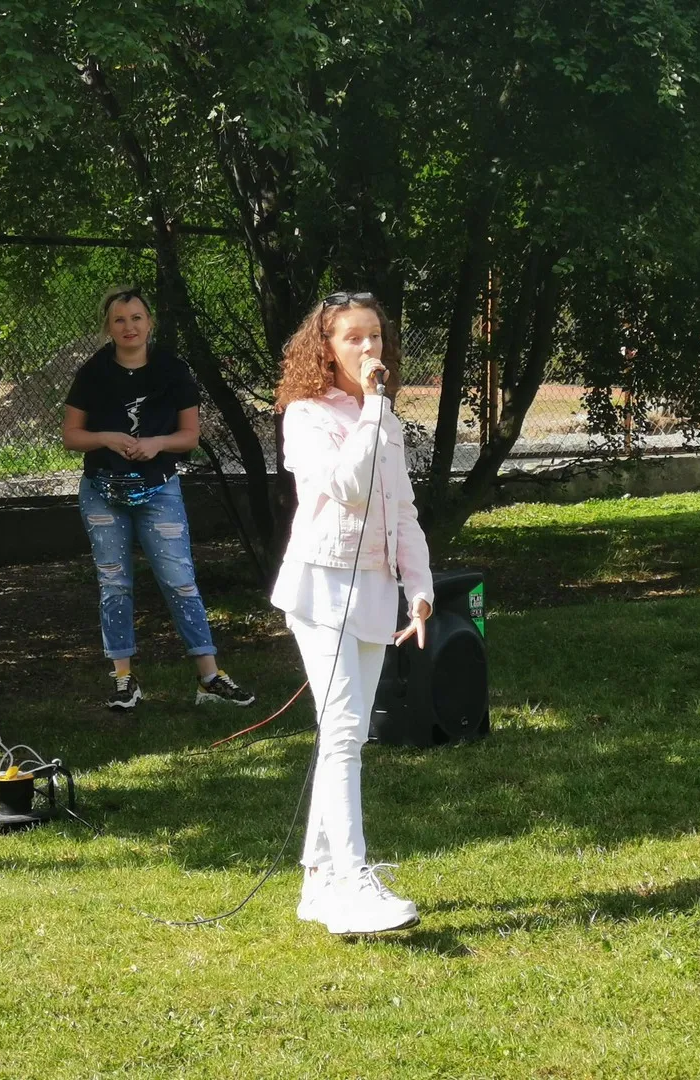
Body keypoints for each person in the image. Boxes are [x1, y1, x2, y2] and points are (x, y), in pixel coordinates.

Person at [271, 291, 434, 935]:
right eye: (353, 338)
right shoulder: (306, 415)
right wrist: (370, 409)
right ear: (325, 348)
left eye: (375, 337)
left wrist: (419, 586)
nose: (369, 349)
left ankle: (319, 882)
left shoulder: (382, 415)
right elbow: (346, 486)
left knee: (350, 733)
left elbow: (401, 509)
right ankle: (351, 880)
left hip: (373, 590)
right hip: (322, 586)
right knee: (341, 731)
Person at [62, 287, 255, 711]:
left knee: (179, 578)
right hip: (102, 491)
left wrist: (157, 444)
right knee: (114, 583)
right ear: (108, 327)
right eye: (119, 320)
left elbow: (190, 436)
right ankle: (123, 679)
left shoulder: (173, 369)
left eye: (136, 318)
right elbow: (71, 436)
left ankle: (209, 676)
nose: (129, 327)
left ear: (149, 322)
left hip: (159, 487)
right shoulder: (93, 372)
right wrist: (106, 438)